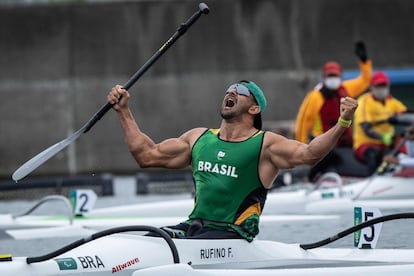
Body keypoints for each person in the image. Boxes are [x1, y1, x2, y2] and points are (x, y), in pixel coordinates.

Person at [107, 80, 358, 242]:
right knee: (143, 238)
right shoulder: (198, 138)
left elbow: (310, 154)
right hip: (194, 228)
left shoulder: (266, 144)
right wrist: (124, 111)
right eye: (229, 89)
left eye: (241, 91)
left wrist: (343, 122)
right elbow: (146, 155)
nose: (231, 91)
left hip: (233, 235)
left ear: (254, 109)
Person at [295, 41, 372, 181]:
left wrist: (364, 61)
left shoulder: (345, 89)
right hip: (323, 141)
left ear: (340, 76)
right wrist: (301, 147)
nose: (333, 79)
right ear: (324, 78)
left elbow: (366, 81)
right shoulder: (316, 96)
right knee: (328, 156)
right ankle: (311, 177)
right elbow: (304, 121)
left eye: (335, 76)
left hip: (343, 140)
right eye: (330, 76)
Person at [353, 71, 407, 175]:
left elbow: (406, 115)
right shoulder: (364, 101)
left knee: (403, 146)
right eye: (378, 86)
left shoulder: (392, 102)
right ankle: (371, 182)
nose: (382, 89)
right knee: (373, 155)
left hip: (387, 143)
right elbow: (366, 128)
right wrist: (383, 137)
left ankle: (405, 173)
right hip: (365, 144)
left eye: (384, 85)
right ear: (372, 87)